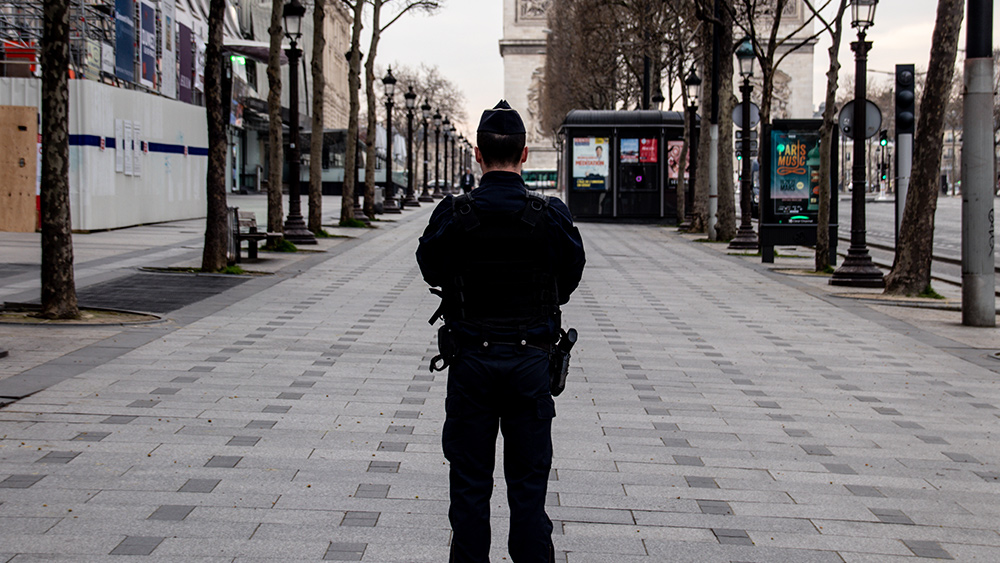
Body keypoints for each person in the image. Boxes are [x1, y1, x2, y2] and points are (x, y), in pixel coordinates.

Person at [416, 100, 586, 563]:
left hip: (471, 361)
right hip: (531, 364)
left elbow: (430, 267)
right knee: (529, 489)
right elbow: (570, 278)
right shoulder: (550, 214)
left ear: (477, 154)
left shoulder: (454, 213)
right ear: (524, 154)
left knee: (469, 488)